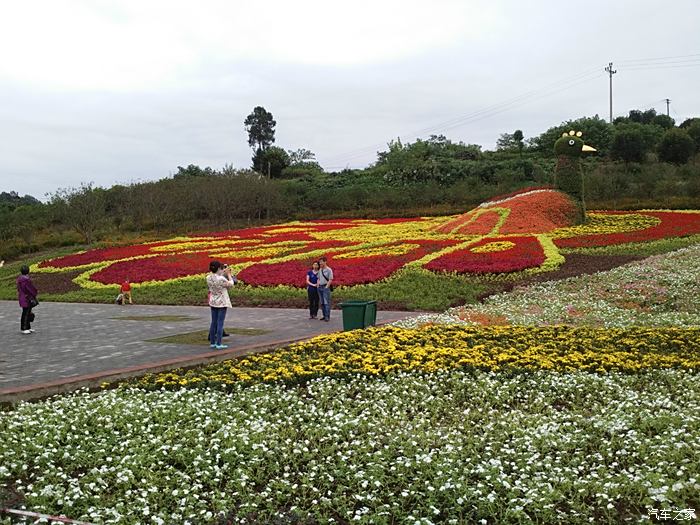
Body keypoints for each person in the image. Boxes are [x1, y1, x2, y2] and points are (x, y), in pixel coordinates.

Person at [206, 260, 235, 350]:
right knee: (220, 323)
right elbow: (231, 284)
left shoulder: (208, 277)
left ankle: (212, 343)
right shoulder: (221, 279)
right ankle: (219, 343)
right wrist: (229, 275)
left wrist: (222, 272)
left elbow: (217, 278)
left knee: (213, 322)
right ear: (219, 268)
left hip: (213, 301)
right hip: (222, 302)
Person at [17, 265, 38, 334]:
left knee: (27, 312)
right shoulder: (26, 280)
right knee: (26, 313)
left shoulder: (20, 279)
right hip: (26, 298)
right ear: (28, 271)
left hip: (23, 297)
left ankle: (28, 327)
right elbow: (29, 289)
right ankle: (24, 328)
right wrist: (35, 292)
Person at [317, 257, 334, 322]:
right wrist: (318, 284)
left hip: (325, 287)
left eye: (321, 262)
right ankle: (324, 316)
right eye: (319, 262)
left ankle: (327, 316)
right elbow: (318, 278)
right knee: (322, 303)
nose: (320, 263)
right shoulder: (320, 270)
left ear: (325, 262)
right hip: (320, 287)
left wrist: (326, 287)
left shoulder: (329, 270)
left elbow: (330, 279)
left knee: (326, 303)